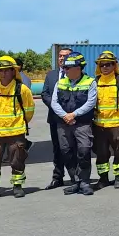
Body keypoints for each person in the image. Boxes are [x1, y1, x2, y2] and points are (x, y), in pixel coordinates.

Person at [0, 55, 35, 201]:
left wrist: (18, 122)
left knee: (17, 159)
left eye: (6, 70)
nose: (2, 73)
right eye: (0, 71)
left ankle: (17, 186)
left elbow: (29, 109)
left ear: (13, 71)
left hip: (16, 131)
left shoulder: (22, 89)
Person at [51, 53, 98, 196]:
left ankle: (84, 182)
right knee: (66, 152)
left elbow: (91, 102)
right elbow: (54, 102)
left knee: (84, 150)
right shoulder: (60, 83)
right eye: (64, 67)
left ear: (78, 68)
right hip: (63, 123)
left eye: (67, 67)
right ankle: (75, 181)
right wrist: (65, 116)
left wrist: (74, 114)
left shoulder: (90, 82)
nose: (64, 70)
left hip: (82, 123)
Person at [92, 51, 119, 189]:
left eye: (108, 64)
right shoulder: (95, 82)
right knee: (101, 154)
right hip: (100, 125)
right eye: (102, 64)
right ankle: (103, 178)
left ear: (114, 65)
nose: (105, 67)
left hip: (117, 124)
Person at [42, 46, 72, 189]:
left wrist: (69, 113)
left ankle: (76, 176)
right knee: (57, 148)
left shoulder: (79, 74)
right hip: (55, 118)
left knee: (74, 148)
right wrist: (57, 109)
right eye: (60, 56)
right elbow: (45, 94)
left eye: (65, 56)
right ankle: (57, 177)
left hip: (72, 118)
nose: (61, 58)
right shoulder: (51, 75)